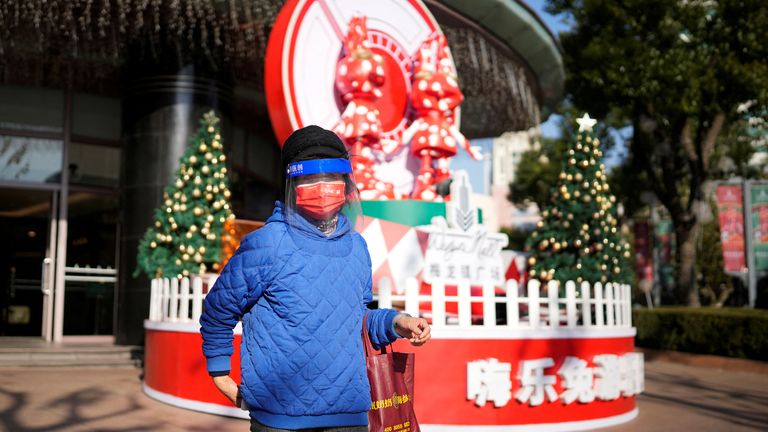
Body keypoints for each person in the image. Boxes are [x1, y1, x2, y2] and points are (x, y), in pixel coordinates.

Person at [200, 125, 431, 432]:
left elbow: (354, 317)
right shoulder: (266, 243)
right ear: (292, 183)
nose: (322, 186)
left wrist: (396, 323)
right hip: (279, 418)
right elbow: (218, 309)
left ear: (345, 183)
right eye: (309, 178)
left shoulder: (356, 246)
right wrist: (220, 374)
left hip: (350, 415)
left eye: (332, 177)